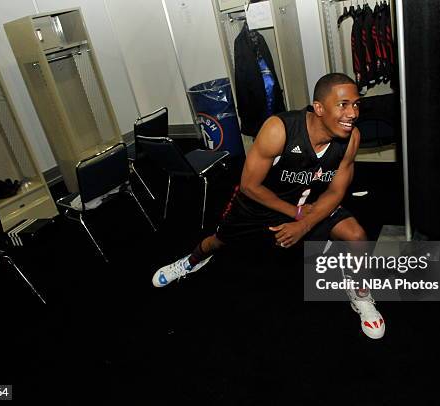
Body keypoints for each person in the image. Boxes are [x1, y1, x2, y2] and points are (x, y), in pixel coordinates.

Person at [151, 73, 385, 339]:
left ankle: (361, 294)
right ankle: (190, 262)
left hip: (310, 203)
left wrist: (305, 222)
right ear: (319, 108)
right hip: (261, 203)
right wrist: (296, 214)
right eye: (343, 104)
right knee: (218, 241)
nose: (352, 113)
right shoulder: (279, 129)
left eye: (356, 104)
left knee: (356, 236)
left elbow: (337, 190)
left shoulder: (351, 138)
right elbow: (249, 185)